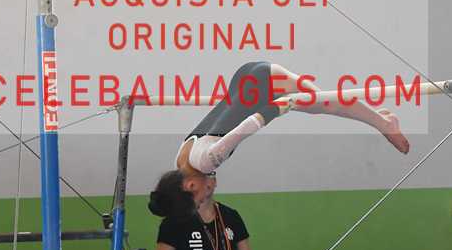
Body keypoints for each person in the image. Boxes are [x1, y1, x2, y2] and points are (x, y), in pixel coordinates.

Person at [148, 60, 410, 219]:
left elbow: (248, 126)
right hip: (245, 78)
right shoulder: (181, 158)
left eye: (200, 198)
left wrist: (280, 106)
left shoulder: (206, 162)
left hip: (264, 83)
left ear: (190, 185)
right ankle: (381, 119)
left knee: (328, 103)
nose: (207, 195)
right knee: (324, 104)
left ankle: (384, 123)